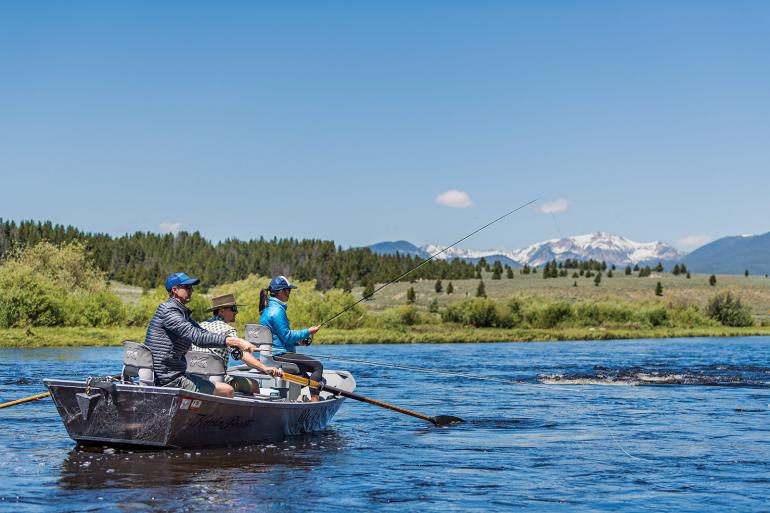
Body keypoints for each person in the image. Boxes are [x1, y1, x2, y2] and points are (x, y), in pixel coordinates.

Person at [145, 272, 257, 398]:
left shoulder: (179, 311)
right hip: (169, 379)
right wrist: (237, 342)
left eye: (191, 287)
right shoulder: (170, 312)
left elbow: (201, 332)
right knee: (227, 390)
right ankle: (212, 418)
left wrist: (233, 341)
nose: (191, 290)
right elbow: (197, 337)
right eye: (187, 287)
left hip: (171, 374)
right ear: (175, 290)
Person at [192, 293, 283, 395]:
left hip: (196, 377)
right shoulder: (228, 330)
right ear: (221, 311)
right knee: (254, 385)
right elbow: (242, 355)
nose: (236, 312)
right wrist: (264, 368)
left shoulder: (200, 326)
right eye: (233, 308)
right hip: (217, 379)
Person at [259, 276, 323, 401]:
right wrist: (308, 331)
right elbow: (287, 336)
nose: (289, 293)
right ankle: (314, 403)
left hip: (271, 353)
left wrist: (299, 342)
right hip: (280, 354)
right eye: (288, 290)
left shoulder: (267, 309)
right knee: (317, 366)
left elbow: (279, 337)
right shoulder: (277, 311)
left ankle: (295, 398)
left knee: (304, 377)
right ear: (281, 291)